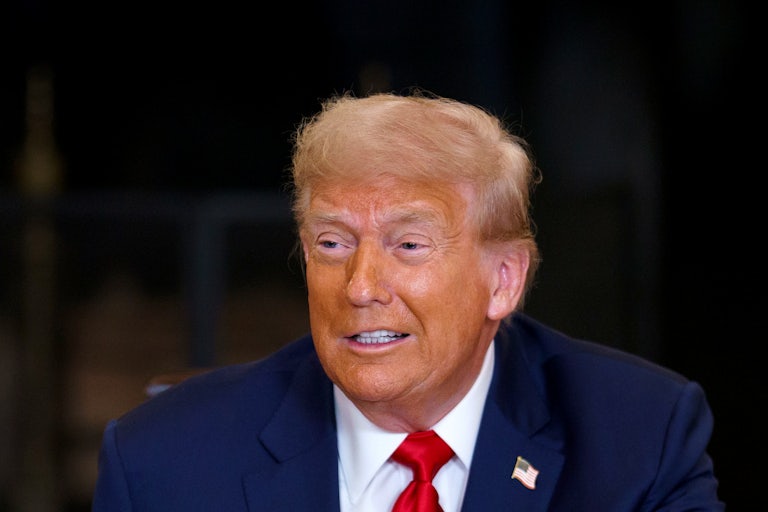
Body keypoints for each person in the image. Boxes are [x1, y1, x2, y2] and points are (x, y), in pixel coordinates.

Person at [92, 90, 724, 511]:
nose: (361, 286)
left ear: (503, 280)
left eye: (410, 244)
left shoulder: (641, 439)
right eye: (333, 243)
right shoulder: (162, 465)